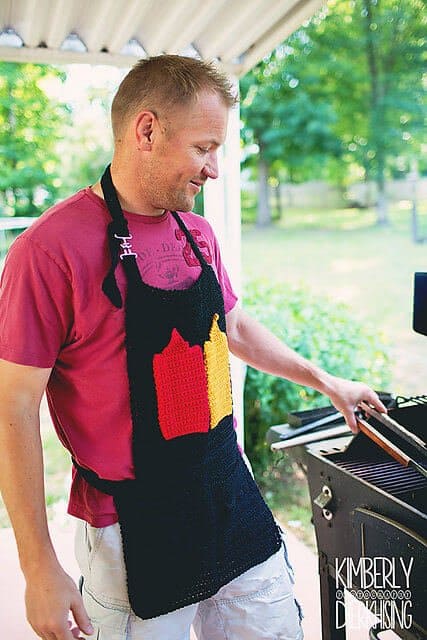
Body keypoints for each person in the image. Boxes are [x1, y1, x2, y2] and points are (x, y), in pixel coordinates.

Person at [0, 55, 386, 640]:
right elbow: (13, 406)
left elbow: (234, 328)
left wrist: (328, 382)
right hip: (130, 525)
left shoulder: (196, 232)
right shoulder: (49, 250)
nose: (214, 168)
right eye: (204, 147)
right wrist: (37, 566)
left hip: (225, 488)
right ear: (147, 131)